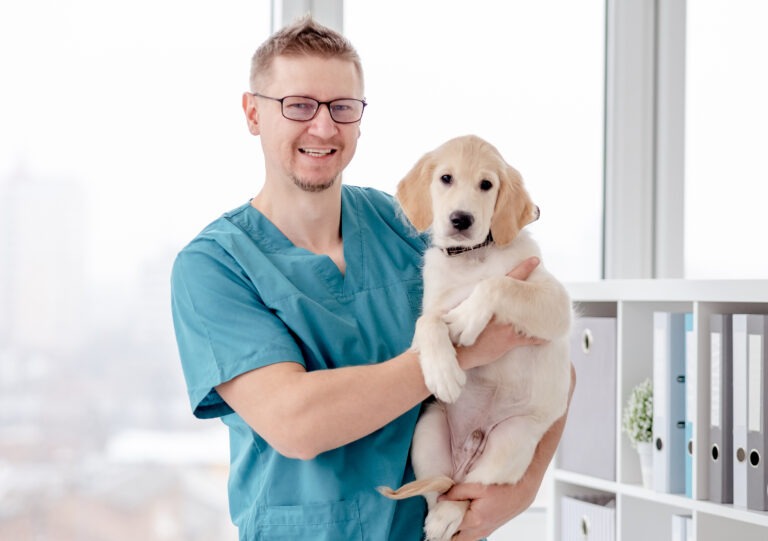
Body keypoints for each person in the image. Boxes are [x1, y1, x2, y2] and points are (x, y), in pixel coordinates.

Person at [171, 16, 573, 541]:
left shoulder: (412, 228)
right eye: (298, 105)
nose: (323, 127)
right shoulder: (216, 266)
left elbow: (554, 358)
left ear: (360, 119)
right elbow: (297, 424)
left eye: (342, 107)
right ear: (253, 113)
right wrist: (460, 353)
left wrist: (519, 489)